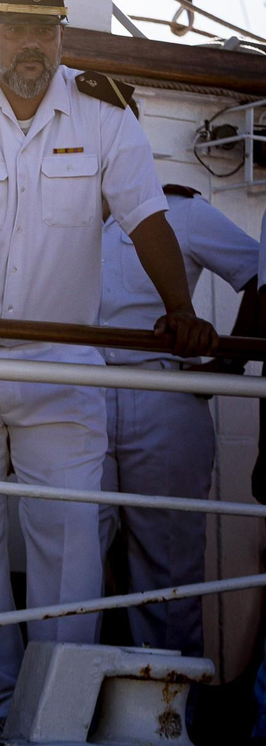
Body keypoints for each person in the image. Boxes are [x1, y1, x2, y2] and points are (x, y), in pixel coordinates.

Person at [0, 0, 217, 732]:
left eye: (46, 31)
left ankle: (56, 713)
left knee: (70, 538)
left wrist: (182, 310)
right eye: (16, 29)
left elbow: (146, 219)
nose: (32, 46)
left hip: (57, 363)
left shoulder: (102, 113)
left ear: (62, 35)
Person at [98, 182, 256, 657]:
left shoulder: (179, 210)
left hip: (164, 395)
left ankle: (166, 718)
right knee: (72, 555)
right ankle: (69, 707)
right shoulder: (56, 207)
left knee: (167, 564)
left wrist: (228, 366)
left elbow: (258, 270)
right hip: (77, 391)